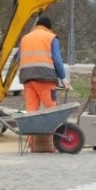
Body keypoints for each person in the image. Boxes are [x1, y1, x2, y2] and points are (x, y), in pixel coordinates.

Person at [17, 16, 69, 152]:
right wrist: (63, 79)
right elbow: (57, 60)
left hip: (27, 78)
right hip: (45, 78)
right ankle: (53, 142)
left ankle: (32, 143)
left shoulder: (25, 38)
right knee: (52, 111)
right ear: (48, 27)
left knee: (31, 112)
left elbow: (19, 59)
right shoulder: (50, 37)